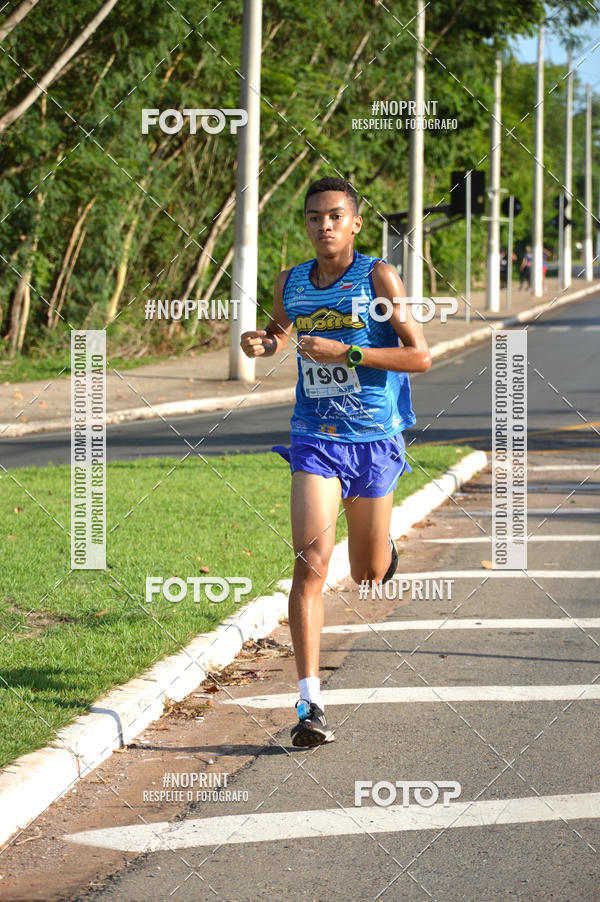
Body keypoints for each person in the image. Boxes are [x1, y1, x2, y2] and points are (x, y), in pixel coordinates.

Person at [240, 177, 431, 747]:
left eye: (334, 216)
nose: (323, 225)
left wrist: (348, 350)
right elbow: (280, 332)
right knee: (312, 564)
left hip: (374, 438)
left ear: (355, 224)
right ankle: (309, 704)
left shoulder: (378, 277)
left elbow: (419, 355)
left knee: (368, 573)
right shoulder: (290, 282)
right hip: (314, 437)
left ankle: (381, 552)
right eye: (313, 217)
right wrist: (263, 343)